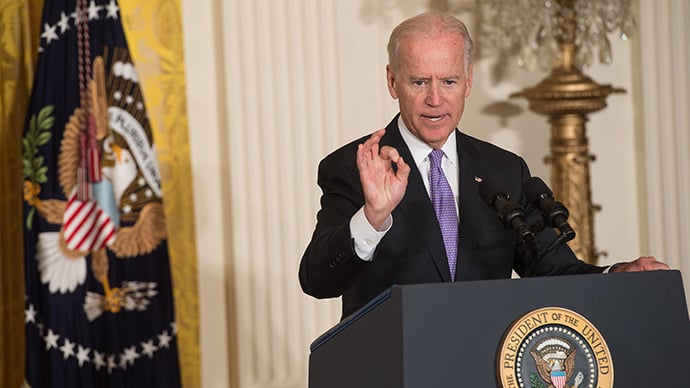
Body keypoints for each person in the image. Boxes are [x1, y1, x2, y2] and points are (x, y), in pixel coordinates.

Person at [298, 12, 668, 319]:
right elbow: (317, 280)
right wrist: (373, 217)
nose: (435, 98)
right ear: (393, 82)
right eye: (418, 81)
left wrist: (620, 275)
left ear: (469, 82)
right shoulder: (354, 167)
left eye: (449, 81)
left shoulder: (503, 170)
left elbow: (555, 271)